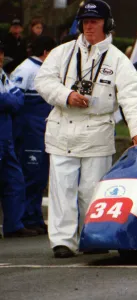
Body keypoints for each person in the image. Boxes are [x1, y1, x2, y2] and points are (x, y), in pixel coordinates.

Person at [34, 0, 137, 258]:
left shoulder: (118, 59)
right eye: (85, 21)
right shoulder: (62, 52)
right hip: (62, 127)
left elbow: (132, 97)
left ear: (107, 25)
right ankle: (63, 242)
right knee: (62, 189)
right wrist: (66, 95)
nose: (88, 26)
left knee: (92, 190)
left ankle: (92, 236)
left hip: (97, 130)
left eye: (94, 21)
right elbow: (43, 80)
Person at [10, 36, 57, 234]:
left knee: (40, 176)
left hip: (43, 129)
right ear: (46, 52)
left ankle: (36, 217)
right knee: (31, 174)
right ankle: (26, 218)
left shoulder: (45, 70)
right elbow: (14, 101)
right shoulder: (26, 69)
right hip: (29, 131)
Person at [0, 40, 38, 238]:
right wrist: (8, 100)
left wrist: (7, 100)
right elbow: (7, 99)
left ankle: (13, 225)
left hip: (6, 136)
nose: (0, 57)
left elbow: (17, 98)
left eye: (1, 53)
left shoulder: (3, 75)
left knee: (15, 180)